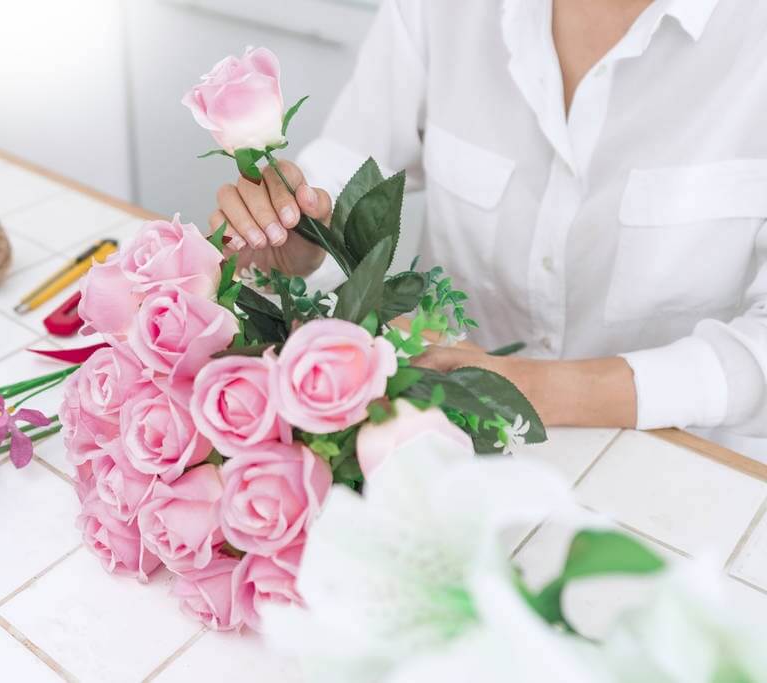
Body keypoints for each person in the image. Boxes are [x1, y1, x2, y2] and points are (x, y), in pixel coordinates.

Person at [208, 0, 767, 458]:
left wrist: (547, 389)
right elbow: (353, 159)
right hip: (433, 437)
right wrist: (299, 233)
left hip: (682, 469)